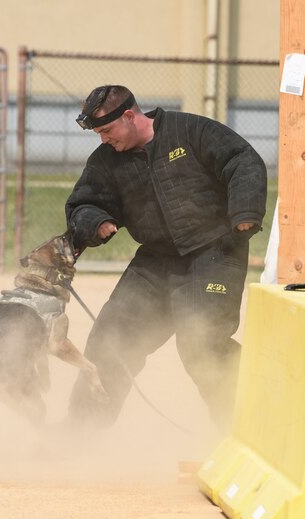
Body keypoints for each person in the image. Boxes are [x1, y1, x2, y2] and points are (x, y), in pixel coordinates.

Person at [65, 85, 267, 430]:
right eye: (98, 134)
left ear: (129, 116)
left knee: (202, 343)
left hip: (215, 251)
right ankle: (80, 433)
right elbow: (83, 203)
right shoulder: (105, 161)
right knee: (111, 338)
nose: (104, 139)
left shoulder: (190, 130)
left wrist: (245, 211)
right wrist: (95, 222)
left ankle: (249, 429)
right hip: (156, 260)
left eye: (107, 130)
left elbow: (241, 160)